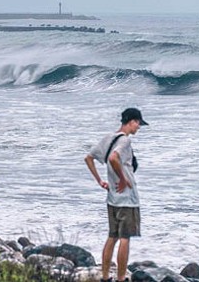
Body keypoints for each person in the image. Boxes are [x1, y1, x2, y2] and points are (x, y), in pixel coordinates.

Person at [84, 107, 148, 282]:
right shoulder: (125, 141)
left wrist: (100, 181)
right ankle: (120, 278)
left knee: (112, 237)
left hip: (112, 197)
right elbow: (113, 158)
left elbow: (88, 158)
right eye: (138, 123)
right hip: (127, 198)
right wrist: (122, 178)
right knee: (125, 238)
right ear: (132, 121)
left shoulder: (108, 138)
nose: (139, 128)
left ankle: (105, 277)